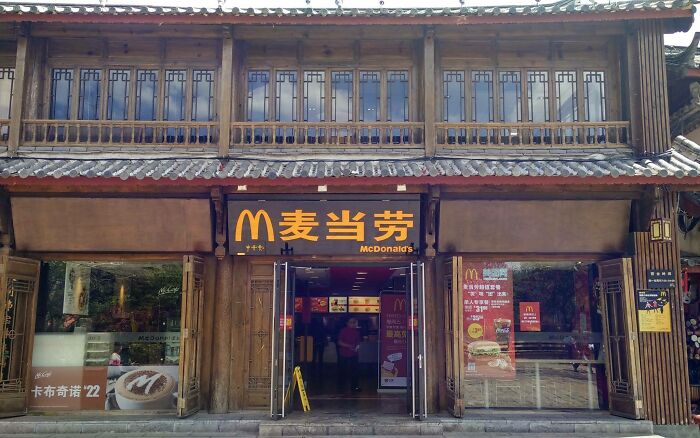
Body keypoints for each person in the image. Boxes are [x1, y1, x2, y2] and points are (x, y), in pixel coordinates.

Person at [337, 318, 361, 392]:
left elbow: (358, 342)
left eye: (354, 322)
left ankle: (354, 387)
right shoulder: (343, 331)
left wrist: (356, 347)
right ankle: (341, 387)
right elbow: (339, 342)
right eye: (351, 322)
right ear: (347, 323)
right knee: (343, 370)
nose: (353, 324)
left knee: (354, 371)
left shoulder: (357, 332)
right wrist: (350, 346)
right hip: (344, 354)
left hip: (354, 354)